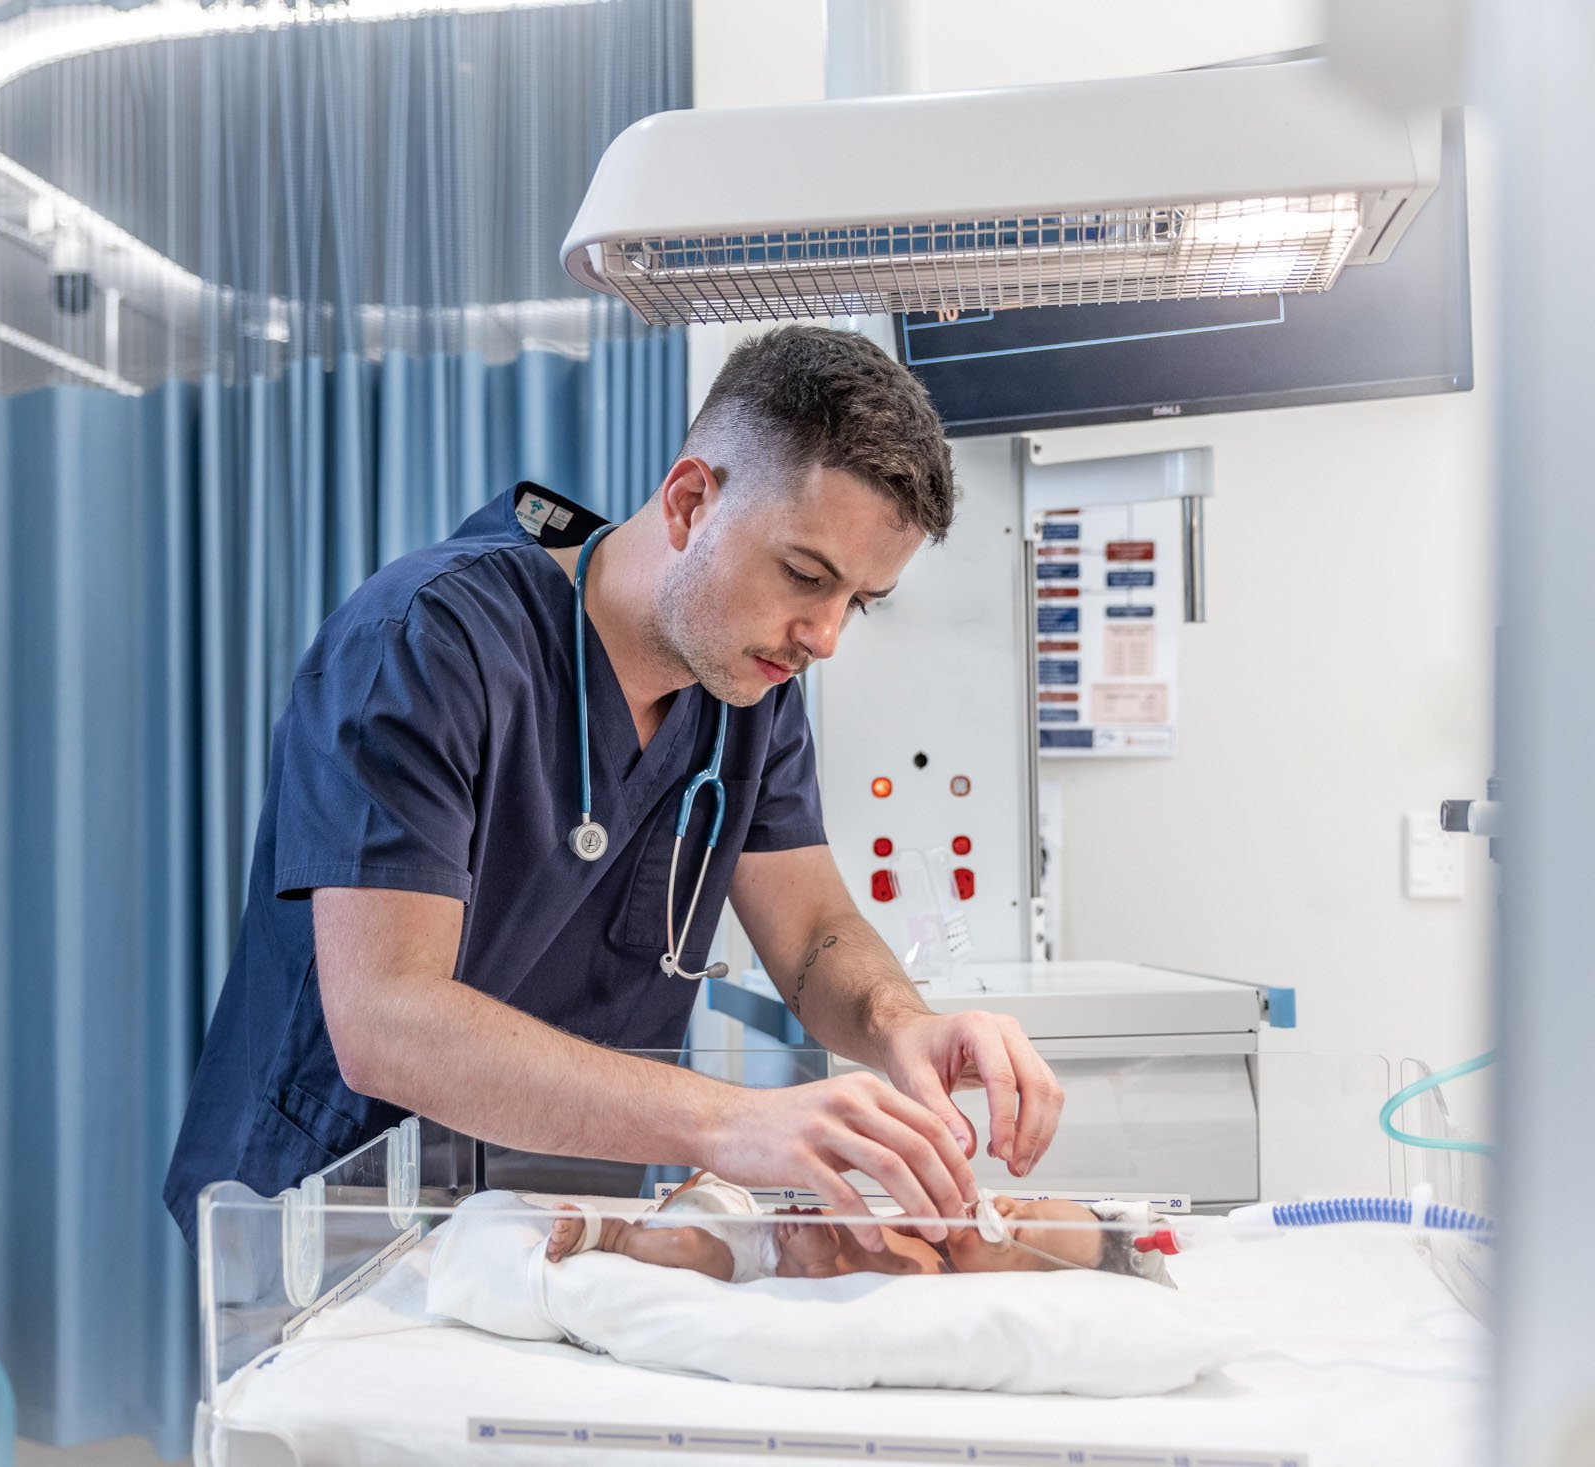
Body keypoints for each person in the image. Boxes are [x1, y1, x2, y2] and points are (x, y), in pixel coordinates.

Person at [164, 325, 1066, 1251]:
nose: (824, 636)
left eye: (859, 601)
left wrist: (900, 1024)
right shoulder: (427, 645)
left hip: (563, 1232)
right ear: (688, 501)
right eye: (806, 574)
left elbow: (813, 934)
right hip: (338, 1229)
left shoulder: (746, 690)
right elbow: (387, 1018)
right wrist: (732, 1121)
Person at [540, 1172, 1157, 1283]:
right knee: (712, 1202)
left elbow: (835, 1280)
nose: (997, 1213)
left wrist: (813, 1258)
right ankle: (684, 1201)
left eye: (1012, 1232)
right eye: (1017, 1204)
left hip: (761, 1258)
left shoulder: (921, 1276)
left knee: (689, 1248)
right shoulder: (936, 1237)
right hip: (754, 1216)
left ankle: (611, 1236)